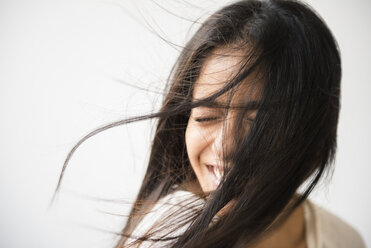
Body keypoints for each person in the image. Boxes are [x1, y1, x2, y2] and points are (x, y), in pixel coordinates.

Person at [54, 0, 366, 247]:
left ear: (311, 131)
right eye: (206, 116)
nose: (226, 146)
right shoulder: (170, 231)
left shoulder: (341, 239)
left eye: (258, 124)